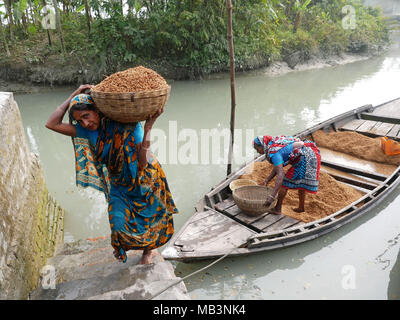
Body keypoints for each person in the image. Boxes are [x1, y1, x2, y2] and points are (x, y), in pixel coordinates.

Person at [46, 84, 179, 264]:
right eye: (79, 120)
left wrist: (148, 128)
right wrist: (74, 95)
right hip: (119, 184)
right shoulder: (85, 131)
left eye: (87, 116)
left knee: (150, 218)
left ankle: (148, 251)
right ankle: (126, 246)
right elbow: (51, 124)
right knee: (118, 224)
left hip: (145, 179)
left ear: (98, 111)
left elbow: (142, 161)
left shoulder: (126, 127)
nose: (85, 123)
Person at [253, 135, 321, 215]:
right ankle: (301, 208)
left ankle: (277, 209)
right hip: (311, 152)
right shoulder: (274, 144)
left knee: (284, 184)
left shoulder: (274, 153)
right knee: (301, 181)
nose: (257, 151)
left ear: (262, 145)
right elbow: (277, 167)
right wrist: (267, 180)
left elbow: (280, 175)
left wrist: (272, 197)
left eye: (257, 149)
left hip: (304, 158)